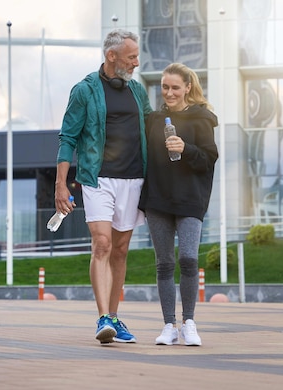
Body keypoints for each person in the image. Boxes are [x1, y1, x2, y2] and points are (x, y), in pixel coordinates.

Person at [53, 29, 153, 344]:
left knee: (121, 250)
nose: (137, 62)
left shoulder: (138, 91)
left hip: (133, 179)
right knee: (102, 244)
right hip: (97, 179)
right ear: (112, 56)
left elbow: (151, 128)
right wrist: (60, 185)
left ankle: (115, 317)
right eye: (132, 56)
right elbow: (68, 137)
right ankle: (102, 319)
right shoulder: (84, 90)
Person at [139, 63, 219, 346]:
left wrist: (186, 149)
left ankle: (189, 323)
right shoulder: (154, 119)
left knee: (188, 259)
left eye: (175, 87)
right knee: (164, 264)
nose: (169, 93)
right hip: (158, 199)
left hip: (190, 200)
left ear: (187, 87)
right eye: (164, 87)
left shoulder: (202, 118)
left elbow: (209, 158)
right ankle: (168, 326)